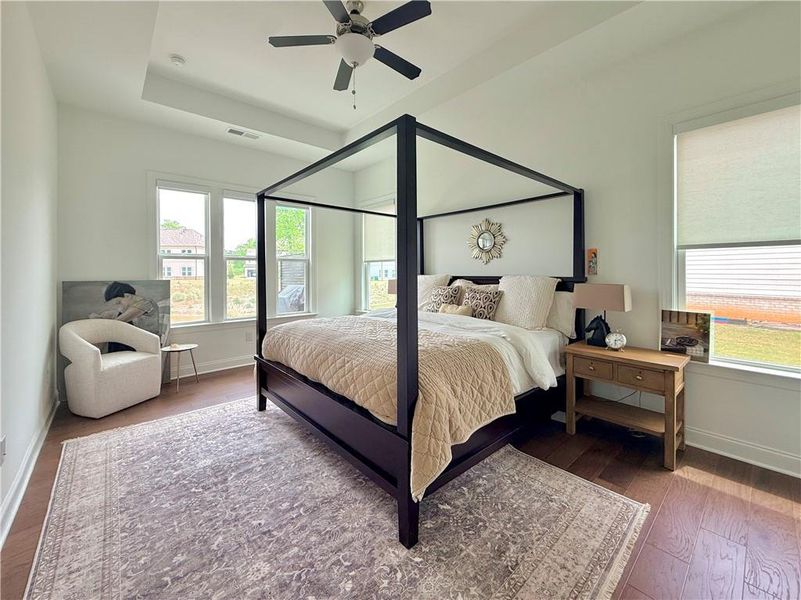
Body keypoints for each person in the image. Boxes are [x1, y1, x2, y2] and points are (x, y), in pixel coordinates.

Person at [91, 281, 160, 352]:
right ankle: (98, 354)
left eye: (119, 302)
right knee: (110, 327)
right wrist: (101, 317)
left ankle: (97, 354)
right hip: (138, 339)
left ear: (127, 296)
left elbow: (118, 322)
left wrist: (99, 319)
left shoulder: (145, 303)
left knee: (113, 328)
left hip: (146, 342)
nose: (119, 307)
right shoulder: (133, 306)